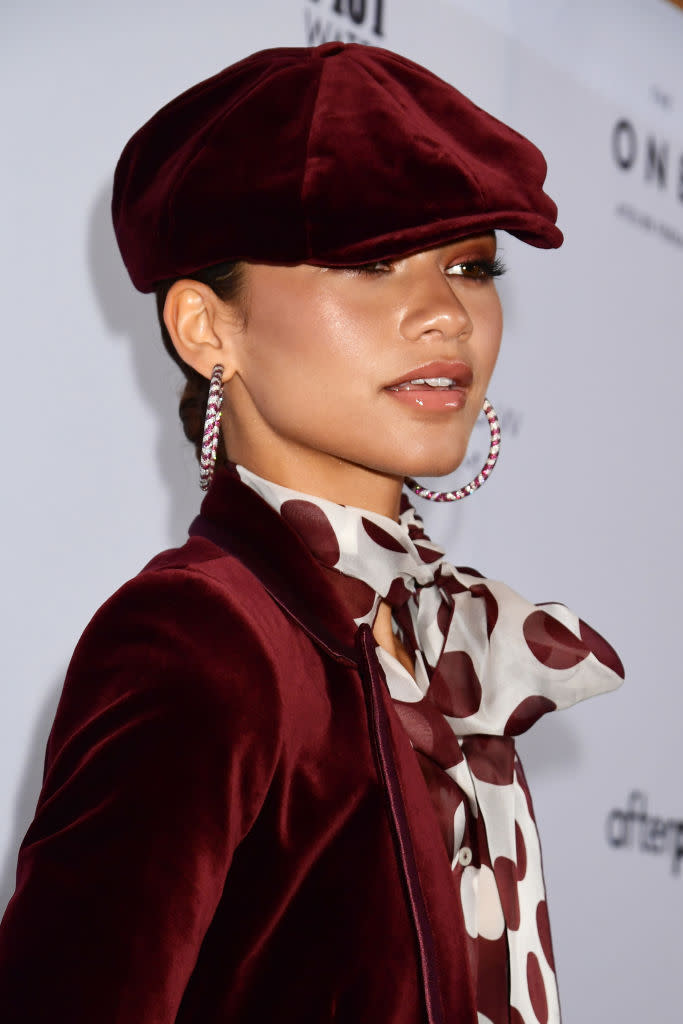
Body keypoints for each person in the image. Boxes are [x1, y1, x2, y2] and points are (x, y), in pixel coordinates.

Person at [0, 42, 624, 1024]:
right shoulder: (199, 640)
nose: (442, 316)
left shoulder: (427, 631)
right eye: (370, 261)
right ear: (208, 329)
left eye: (468, 266)